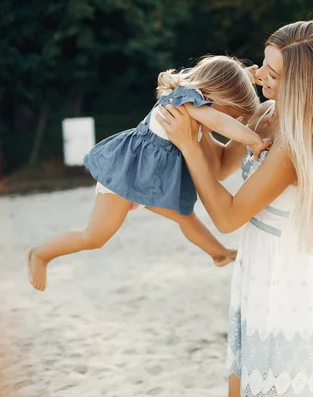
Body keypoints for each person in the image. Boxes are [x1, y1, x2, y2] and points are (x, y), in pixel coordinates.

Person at [158, 20, 313, 397]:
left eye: (273, 72)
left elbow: (227, 217)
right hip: (258, 264)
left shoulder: (291, 145)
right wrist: (198, 119)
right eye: (264, 64)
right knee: (239, 386)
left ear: (301, 85)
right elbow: (219, 167)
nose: (260, 74)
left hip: (282, 274)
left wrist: (187, 145)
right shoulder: (268, 112)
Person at [27, 55, 270, 292]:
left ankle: (220, 254)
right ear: (214, 96)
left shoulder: (195, 90)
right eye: (229, 112)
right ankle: (40, 254)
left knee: (185, 216)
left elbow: (215, 84)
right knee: (95, 237)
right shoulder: (186, 99)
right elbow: (219, 122)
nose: (229, 121)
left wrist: (243, 80)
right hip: (128, 173)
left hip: (153, 177)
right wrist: (255, 141)